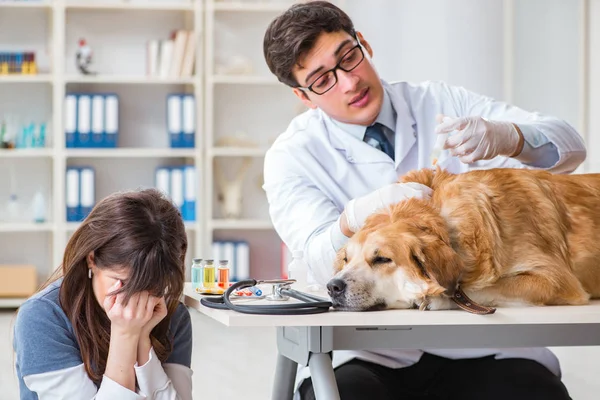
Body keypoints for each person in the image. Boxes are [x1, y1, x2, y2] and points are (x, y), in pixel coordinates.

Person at [262, 1, 585, 399]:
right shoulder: (291, 156)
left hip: (489, 340)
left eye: (348, 57)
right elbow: (315, 259)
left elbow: (570, 147)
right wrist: (353, 218)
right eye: (323, 79)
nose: (349, 82)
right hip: (372, 352)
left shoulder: (439, 102)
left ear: (363, 44)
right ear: (303, 95)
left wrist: (510, 137)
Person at [13, 188, 193, 400]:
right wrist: (125, 336)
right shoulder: (43, 317)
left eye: (152, 285)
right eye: (123, 282)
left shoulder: (172, 315)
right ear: (92, 259)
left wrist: (143, 343)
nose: (135, 300)